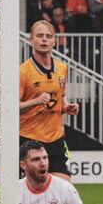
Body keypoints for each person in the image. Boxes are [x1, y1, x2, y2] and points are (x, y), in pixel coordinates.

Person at [19, 20, 79, 182]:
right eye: (39, 36)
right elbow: (12, 108)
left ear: (54, 41)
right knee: (33, 191)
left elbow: (61, 95)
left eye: (48, 36)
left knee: (64, 188)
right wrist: (35, 101)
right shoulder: (23, 71)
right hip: (29, 139)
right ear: (31, 40)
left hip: (55, 140)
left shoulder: (62, 68)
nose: (44, 39)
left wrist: (67, 106)